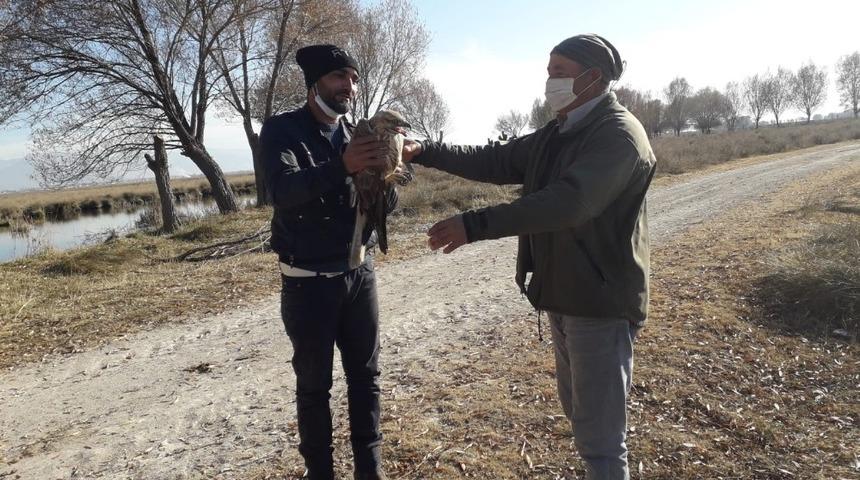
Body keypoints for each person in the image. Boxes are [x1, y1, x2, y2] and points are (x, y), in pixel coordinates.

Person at [402, 34, 656, 480]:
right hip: (562, 294)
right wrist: (427, 150)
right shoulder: (558, 132)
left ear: (593, 77)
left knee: (601, 441)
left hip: (600, 302)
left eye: (559, 72)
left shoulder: (619, 136)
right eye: (548, 71)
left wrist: (474, 225)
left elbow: (567, 203)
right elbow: (494, 160)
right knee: (582, 420)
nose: (549, 81)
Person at [259, 44, 396, 480]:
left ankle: (369, 472)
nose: (349, 87)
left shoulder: (357, 132)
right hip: (307, 284)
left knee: (366, 377)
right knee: (315, 388)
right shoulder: (281, 131)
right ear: (314, 82)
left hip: (360, 275)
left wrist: (388, 173)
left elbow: (383, 205)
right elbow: (281, 191)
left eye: (354, 79)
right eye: (340, 76)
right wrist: (343, 166)